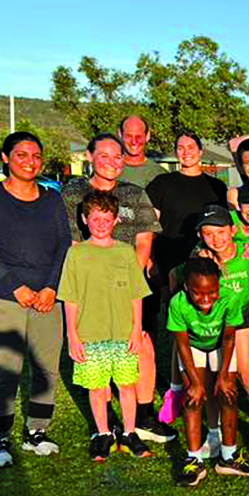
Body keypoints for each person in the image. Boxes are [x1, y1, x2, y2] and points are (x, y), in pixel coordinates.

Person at [62, 133, 172, 443]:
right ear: (89, 156)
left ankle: (144, 414)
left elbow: (144, 240)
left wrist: (128, 281)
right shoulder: (74, 193)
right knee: (97, 346)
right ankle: (107, 419)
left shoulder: (134, 193)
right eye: (104, 155)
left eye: (117, 156)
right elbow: (73, 241)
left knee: (142, 344)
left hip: (129, 284)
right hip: (91, 286)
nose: (112, 162)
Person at [0, 132, 72, 467]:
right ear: (5, 158)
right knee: (4, 370)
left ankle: (36, 432)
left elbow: (63, 244)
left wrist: (51, 287)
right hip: (3, 296)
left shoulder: (52, 199)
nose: (30, 162)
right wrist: (15, 286)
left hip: (46, 298)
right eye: (22, 155)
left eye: (36, 156)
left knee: (46, 369)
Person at [178, 204, 249, 461]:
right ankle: (214, 434)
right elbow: (181, 282)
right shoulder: (200, 258)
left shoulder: (248, 253)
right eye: (208, 233)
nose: (216, 239)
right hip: (211, 323)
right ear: (200, 235)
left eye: (221, 232)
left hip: (239, 320)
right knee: (212, 380)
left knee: (246, 374)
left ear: (233, 230)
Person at [59, 191, 152, 460]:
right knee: (97, 388)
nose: (101, 224)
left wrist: (136, 329)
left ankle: (130, 433)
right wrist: (72, 335)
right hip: (89, 334)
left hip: (123, 333)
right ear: (84, 219)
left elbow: (136, 294)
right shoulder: (76, 254)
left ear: (116, 221)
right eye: (95, 219)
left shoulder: (125, 252)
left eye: (107, 219)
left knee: (126, 385)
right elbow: (70, 297)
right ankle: (103, 434)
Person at [168, 257, 249, 486]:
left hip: (221, 345)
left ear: (219, 285)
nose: (206, 299)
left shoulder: (229, 298)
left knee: (228, 394)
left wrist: (224, 375)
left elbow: (228, 338)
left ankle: (228, 457)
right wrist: (195, 382)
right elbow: (182, 344)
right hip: (193, 347)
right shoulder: (178, 303)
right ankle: (194, 459)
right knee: (193, 398)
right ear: (186, 287)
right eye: (198, 293)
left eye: (212, 292)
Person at [146, 131, 229, 284]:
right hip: (168, 259)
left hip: (205, 261)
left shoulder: (217, 187)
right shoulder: (162, 183)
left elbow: (225, 228)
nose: (186, 152)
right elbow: (149, 227)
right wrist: (150, 258)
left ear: (200, 151)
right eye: (180, 148)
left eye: (191, 147)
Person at [118, 115, 165, 187]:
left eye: (138, 136)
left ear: (147, 136)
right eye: (129, 136)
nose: (134, 142)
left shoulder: (160, 174)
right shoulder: (109, 171)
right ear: (120, 134)